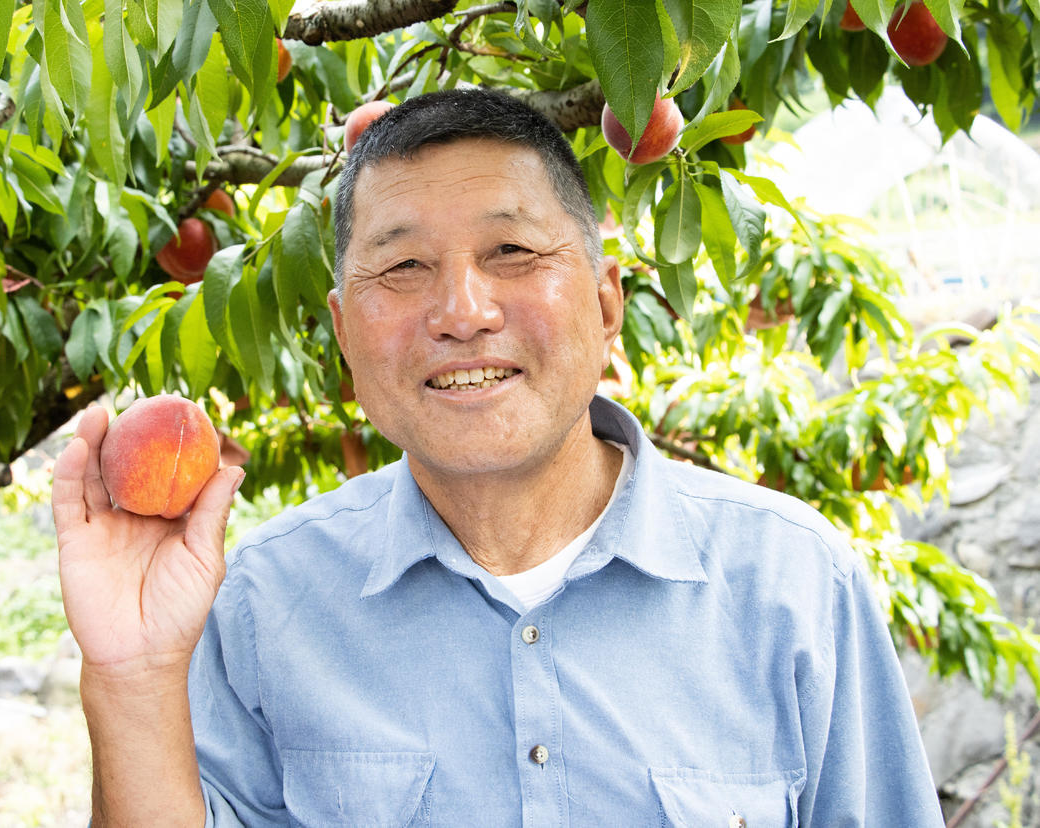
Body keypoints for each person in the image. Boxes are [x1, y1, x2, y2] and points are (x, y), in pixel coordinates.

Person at [52, 89, 945, 826]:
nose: (462, 310)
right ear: (342, 335)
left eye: (513, 251)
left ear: (604, 304)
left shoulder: (794, 585)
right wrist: (132, 677)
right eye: (401, 268)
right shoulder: (264, 601)